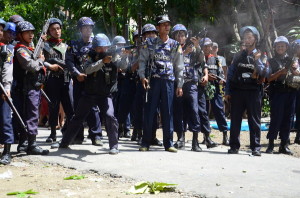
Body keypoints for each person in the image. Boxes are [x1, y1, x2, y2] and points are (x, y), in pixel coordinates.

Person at [56, 33, 122, 154]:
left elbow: (124, 66)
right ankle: (65, 142)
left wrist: (122, 56)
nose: (103, 50)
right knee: (77, 118)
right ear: (95, 48)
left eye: (105, 47)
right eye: (100, 48)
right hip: (89, 94)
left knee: (110, 116)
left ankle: (114, 146)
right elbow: (87, 69)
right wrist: (102, 61)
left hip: (104, 95)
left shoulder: (113, 56)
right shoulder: (89, 57)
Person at [138, 14, 184, 152]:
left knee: (168, 112)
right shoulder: (149, 43)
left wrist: (180, 85)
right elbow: (142, 61)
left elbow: (179, 66)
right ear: (158, 27)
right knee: (150, 111)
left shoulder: (175, 45)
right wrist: (142, 76)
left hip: (169, 82)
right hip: (153, 81)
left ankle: (168, 143)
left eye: (168, 24)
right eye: (163, 24)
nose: (167, 26)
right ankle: (145, 142)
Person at [225, 26, 270, 156]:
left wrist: (258, 61)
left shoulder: (262, 55)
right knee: (235, 120)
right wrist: (227, 91)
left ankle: (255, 147)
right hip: (238, 91)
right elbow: (231, 73)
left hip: (253, 92)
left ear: (255, 39)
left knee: (254, 120)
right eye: (245, 37)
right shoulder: (238, 55)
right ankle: (234, 146)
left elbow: (266, 73)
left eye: (250, 37)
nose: (247, 40)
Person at [13, 21, 50, 155]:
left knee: (29, 115)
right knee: (31, 115)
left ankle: (24, 144)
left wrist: (42, 46)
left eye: (32, 32)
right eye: (27, 32)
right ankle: (31, 144)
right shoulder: (20, 49)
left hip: (32, 86)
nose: (31, 35)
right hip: (26, 88)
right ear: (20, 35)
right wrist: (40, 60)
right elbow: (32, 65)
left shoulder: (29, 48)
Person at [64, 17, 102, 145]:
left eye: (90, 27)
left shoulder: (96, 44)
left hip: (93, 81)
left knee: (94, 108)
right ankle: (78, 136)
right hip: (78, 80)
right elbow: (69, 61)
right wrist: (77, 74)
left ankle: (96, 136)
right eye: (85, 27)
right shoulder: (73, 44)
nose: (88, 30)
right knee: (78, 109)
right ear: (80, 29)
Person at [171, 24, 208, 151]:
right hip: (177, 84)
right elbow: (170, 63)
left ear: (186, 37)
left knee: (194, 111)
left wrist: (197, 46)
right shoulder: (171, 48)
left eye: (182, 35)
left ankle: (195, 141)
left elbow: (202, 61)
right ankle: (180, 138)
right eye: (177, 35)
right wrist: (183, 54)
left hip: (191, 84)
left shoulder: (193, 49)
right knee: (178, 112)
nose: (180, 37)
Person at [43, 18, 74, 143]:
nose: (56, 31)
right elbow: (40, 61)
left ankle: (69, 132)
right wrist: (50, 65)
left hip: (66, 79)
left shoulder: (66, 46)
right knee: (53, 107)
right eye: (53, 29)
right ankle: (52, 133)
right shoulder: (45, 46)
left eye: (58, 28)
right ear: (49, 31)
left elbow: (71, 63)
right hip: (52, 79)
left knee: (69, 107)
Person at [266, 36, 297, 155]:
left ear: (286, 47)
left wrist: (295, 70)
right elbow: (268, 78)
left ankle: (284, 145)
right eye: (278, 46)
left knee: (288, 119)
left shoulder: (292, 60)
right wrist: (280, 72)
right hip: (277, 93)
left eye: (282, 46)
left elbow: (298, 73)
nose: (280, 48)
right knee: (276, 118)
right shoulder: (271, 61)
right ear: (275, 48)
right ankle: (271, 144)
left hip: (291, 92)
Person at [133, 24, 162, 146]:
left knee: (155, 111)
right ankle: (140, 134)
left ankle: (153, 136)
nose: (150, 36)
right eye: (147, 34)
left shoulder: (160, 47)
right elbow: (133, 66)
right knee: (141, 110)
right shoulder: (139, 49)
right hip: (141, 81)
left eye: (152, 33)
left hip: (155, 81)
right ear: (144, 36)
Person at [203, 39, 229, 145]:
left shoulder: (216, 60)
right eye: (205, 46)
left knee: (219, 111)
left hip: (215, 88)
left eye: (209, 46)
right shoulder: (199, 59)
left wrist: (220, 80)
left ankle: (225, 136)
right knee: (204, 113)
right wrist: (206, 77)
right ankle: (206, 137)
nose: (208, 48)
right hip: (203, 88)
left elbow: (221, 74)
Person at [0, 19, 14, 164]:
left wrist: (7, 87)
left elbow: (7, 69)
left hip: (2, 89)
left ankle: (7, 152)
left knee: (5, 119)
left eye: (0, 30)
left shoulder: (7, 50)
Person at [291, 39, 300, 144]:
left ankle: (298, 135)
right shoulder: (293, 60)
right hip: (293, 89)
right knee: (292, 111)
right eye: (298, 47)